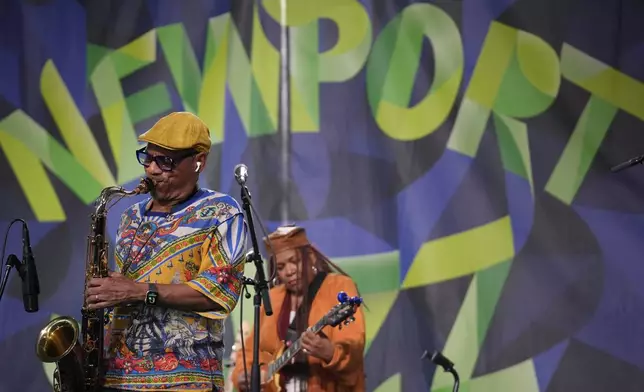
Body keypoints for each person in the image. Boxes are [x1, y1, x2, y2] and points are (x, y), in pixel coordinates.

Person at [84, 112, 248, 392]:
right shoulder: (130, 217)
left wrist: (136, 291)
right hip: (116, 378)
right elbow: (126, 293)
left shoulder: (222, 212)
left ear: (199, 161)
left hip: (185, 379)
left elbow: (218, 294)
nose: (151, 169)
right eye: (147, 157)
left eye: (165, 161)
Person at [231, 225, 366, 392]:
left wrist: (330, 353)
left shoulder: (338, 286)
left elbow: (354, 347)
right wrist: (242, 376)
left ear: (310, 257)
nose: (289, 271)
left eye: (294, 262)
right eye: (280, 267)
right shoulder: (272, 298)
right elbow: (250, 352)